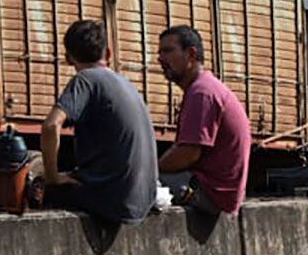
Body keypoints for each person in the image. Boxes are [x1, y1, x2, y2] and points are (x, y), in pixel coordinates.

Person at [41, 20, 159, 225]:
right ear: (109, 53)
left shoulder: (85, 80)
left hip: (113, 202)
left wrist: (52, 177)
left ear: (68, 58)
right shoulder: (127, 83)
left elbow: (51, 126)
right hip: (143, 201)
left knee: (43, 190)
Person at [156, 24, 252, 219]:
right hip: (220, 194)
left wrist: (150, 168)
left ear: (190, 54)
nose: (161, 59)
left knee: (132, 181)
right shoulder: (205, 87)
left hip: (211, 195)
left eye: (168, 51)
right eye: (160, 53)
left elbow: (188, 153)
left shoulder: (202, 93)